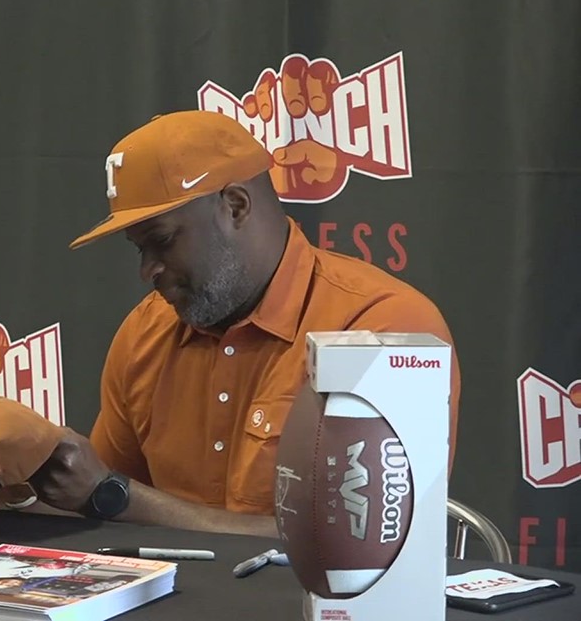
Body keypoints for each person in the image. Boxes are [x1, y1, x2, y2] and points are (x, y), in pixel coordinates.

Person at [25, 110, 461, 537]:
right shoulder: (144, 332)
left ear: (235, 206)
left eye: (161, 241)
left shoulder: (382, 327)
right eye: (138, 249)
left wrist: (119, 498)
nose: (148, 270)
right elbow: (94, 506)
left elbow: (359, 548)